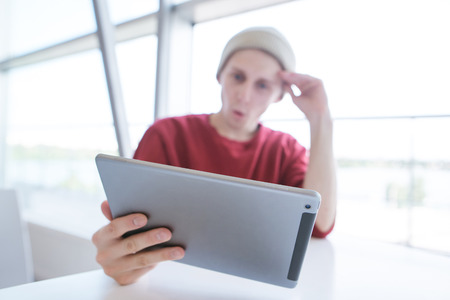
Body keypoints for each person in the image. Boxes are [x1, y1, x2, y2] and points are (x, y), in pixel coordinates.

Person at [92, 27, 337, 285]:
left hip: (251, 288)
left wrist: (320, 119)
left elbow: (319, 226)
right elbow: (131, 227)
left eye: (263, 85)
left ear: (279, 95)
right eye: (238, 76)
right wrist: (121, 257)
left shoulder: (287, 151)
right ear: (220, 75)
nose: (244, 95)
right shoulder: (166, 134)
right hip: (170, 282)